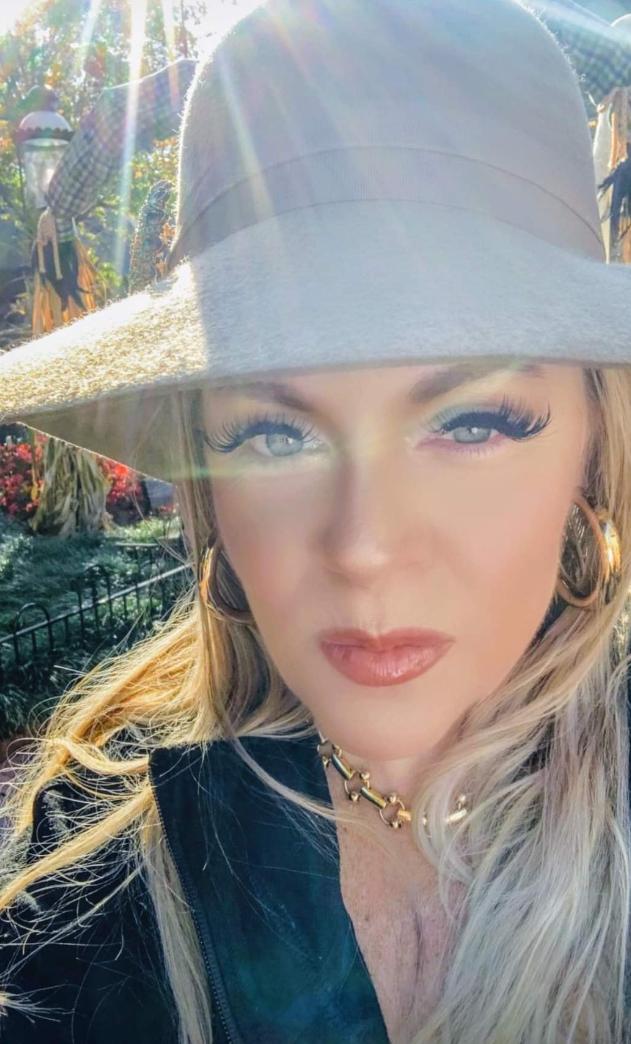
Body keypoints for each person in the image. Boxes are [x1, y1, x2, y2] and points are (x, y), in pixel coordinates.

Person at [0, 1, 631, 1041]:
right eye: (275, 435)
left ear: (591, 458)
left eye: (470, 422)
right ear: (208, 491)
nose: (364, 547)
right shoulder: (88, 894)